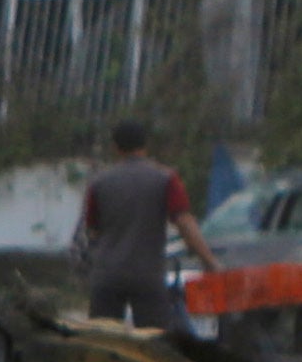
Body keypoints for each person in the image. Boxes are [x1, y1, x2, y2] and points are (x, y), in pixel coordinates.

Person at [74, 118, 217, 331]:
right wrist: (209, 262)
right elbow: (184, 223)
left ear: (115, 147)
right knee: (154, 341)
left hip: (107, 276)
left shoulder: (99, 183)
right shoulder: (166, 179)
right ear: (145, 145)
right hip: (147, 275)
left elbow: (93, 232)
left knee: (103, 341)